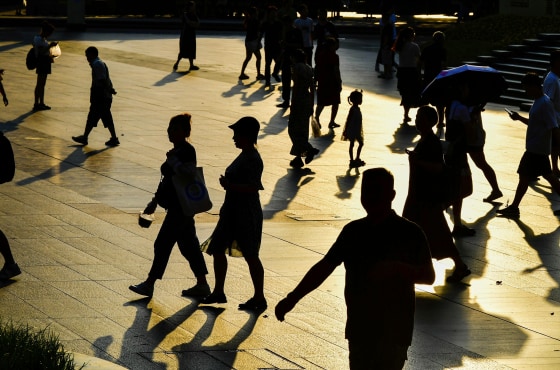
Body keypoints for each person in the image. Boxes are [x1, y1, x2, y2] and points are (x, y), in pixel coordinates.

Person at [275, 167, 435, 370]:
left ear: (392, 195)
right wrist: (292, 298)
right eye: (366, 191)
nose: (370, 196)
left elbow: (429, 276)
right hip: (360, 327)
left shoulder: (410, 232)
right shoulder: (353, 231)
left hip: (394, 330)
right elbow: (325, 266)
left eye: (377, 190)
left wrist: (397, 268)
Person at [129, 113, 210, 298]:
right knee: (189, 246)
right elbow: (167, 180)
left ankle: (150, 283)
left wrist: (173, 161)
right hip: (177, 206)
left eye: (175, 129)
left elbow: (188, 174)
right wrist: (154, 202)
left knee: (163, 244)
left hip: (180, 208)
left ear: (185, 132)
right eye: (169, 128)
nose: (170, 132)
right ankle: (202, 284)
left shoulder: (187, 150)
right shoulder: (176, 150)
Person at [200, 117, 267, 311]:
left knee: (251, 255)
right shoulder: (244, 154)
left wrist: (230, 185)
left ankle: (259, 296)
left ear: (246, 135)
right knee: (218, 248)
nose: (233, 138)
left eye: (236, 134)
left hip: (245, 213)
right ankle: (218, 291)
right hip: (232, 211)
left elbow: (253, 187)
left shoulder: (253, 158)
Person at [403, 106, 471, 283]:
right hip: (421, 197)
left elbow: (437, 168)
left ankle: (460, 266)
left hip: (427, 198)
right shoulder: (425, 140)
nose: (417, 120)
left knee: (438, 235)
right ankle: (412, 267)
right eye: (417, 116)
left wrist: (417, 160)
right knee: (419, 234)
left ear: (429, 121)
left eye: (420, 117)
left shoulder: (431, 142)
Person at [497, 72, 560, 217]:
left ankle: (514, 207)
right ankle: (514, 207)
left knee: (531, 176)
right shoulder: (539, 101)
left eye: (526, 88)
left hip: (537, 149)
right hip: (535, 148)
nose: (525, 91)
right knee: (538, 176)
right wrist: (519, 118)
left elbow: (553, 126)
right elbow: (536, 124)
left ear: (533, 86)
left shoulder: (544, 103)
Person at [72, 46, 119, 147]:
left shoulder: (97, 64)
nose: (86, 58)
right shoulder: (97, 63)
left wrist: (110, 90)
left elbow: (102, 80)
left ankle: (113, 138)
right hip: (101, 96)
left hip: (101, 96)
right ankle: (86, 137)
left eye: (87, 55)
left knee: (101, 116)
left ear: (92, 54)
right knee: (96, 116)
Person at [445, 82, 476, 236]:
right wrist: (473, 120)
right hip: (459, 152)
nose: (467, 90)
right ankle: (456, 222)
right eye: (465, 87)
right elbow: (470, 133)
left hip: (450, 151)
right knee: (464, 188)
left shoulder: (450, 106)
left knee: (457, 187)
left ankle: (457, 222)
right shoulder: (463, 109)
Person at [288, 49, 318, 168]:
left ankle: (308, 149)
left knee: (293, 129)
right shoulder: (309, 68)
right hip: (306, 99)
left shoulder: (296, 68)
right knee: (303, 129)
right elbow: (312, 88)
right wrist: (311, 105)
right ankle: (298, 157)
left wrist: (292, 102)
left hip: (299, 99)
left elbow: (295, 87)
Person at [466, 105, 503, 202]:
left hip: (473, 136)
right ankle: (495, 190)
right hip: (472, 136)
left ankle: (496, 189)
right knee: (481, 163)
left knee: (481, 163)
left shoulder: (469, 102)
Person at [394, 27, 421, 124]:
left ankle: (405, 113)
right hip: (411, 71)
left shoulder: (400, 45)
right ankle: (408, 113)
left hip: (402, 71)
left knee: (404, 93)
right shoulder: (414, 46)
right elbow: (418, 60)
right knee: (412, 92)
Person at [314, 37, 342, 130]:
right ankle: (332, 121)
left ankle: (317, 117)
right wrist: (339, 81)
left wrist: (315, 80)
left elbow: (317, 68)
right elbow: (336, 70)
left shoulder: (321, 55)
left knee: (321, 102)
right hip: (332, 81)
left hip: (322, 80)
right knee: (335, 102)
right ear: (332, 46)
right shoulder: (334, 56)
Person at [420, 31, 446, 126]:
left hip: (428, 76)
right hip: (438, 77)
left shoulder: (426, 49)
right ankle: (440, 122)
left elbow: (421, 62)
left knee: (425, 99)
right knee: (440, 102)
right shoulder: (442, 50)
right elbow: (443, 64)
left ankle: (423, 118)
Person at [276, 15, 303, 108]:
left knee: (296, 81)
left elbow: (299, 45)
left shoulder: (296, 32)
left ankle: (295, 101)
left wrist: (287, 44)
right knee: (286, 81)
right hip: (287, 58)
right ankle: (286, 100)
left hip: (295, 59)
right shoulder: (285, 32)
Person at [542, 49, 560, 177]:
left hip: (557, 118)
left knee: (556, 146)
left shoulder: (556, 78)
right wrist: (552, 123)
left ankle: (554, 168)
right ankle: (553, 169)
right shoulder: (552, 80)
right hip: (555, 120)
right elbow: (548, 102)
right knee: (555, 145)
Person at [32, 20, 57, 111]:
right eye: (49, 33)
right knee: (40, 84)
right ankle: (37, 103)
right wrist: (50, 46)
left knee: (42, 84)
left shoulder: (43, 39)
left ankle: (41, 102)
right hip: (42, 62)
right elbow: (40, 52)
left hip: (45, 62)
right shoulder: (38, 39)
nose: (49, 35)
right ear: (45, 31)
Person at [173, 1, 200, 72]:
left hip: (191, 34)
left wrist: (193, 23)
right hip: (185, 34)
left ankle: (191, 65)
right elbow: (189, 22)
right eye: (193, 6)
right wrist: (192, 23)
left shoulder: (193, 14)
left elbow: (197, 23)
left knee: (191, 49)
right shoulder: (185, 15)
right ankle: (177, 63)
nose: (194, 8)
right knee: (183, 50)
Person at [342, 90, 365, 168]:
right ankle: (352, 160)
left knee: (360, 143)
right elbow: (348, 120)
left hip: (357, 129)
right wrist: (346, 130)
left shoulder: (357, 109)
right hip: (352, 129)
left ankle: (356, 158)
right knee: (353, 144)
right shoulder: (353, 109)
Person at [239, 7, 264, 81]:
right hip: (253, 41)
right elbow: (258, 31)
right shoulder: (255, 21)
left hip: (248, 41)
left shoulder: (248, 20)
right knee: (258, 57)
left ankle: (242, 73)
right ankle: (258, 74)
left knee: (248, 57)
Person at [262, 5, 283, 88]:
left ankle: (275, 73)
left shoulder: (278, 23)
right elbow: (261, 32)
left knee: (279, 61)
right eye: (272, 13)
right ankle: (267, 80)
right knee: (268, 64)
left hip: (277, 45)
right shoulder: (266, 23)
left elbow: (281, 34)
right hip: (268, 46)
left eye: (275, 13)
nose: (274, 14)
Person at [377, 10, 396, 79]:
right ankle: (387, 72)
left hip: (387, 45)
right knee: (387, 60)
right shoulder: (390, 25)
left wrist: (384, 44)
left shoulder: (387, 26)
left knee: (387, 60)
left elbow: (386, 37)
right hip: (389, 44)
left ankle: (387, 73)